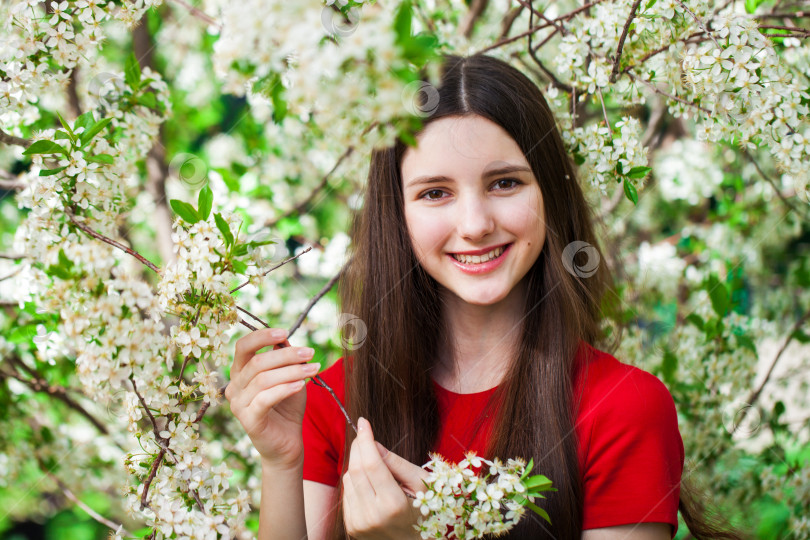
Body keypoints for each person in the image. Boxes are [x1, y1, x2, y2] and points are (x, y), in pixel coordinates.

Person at [227, 54, 741, 539]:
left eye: (504, 183)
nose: (474, 225)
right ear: (397, 215)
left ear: (549, 193)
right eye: (435, 192)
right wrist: (280, 462)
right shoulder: (330, 402)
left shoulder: (624, 408)